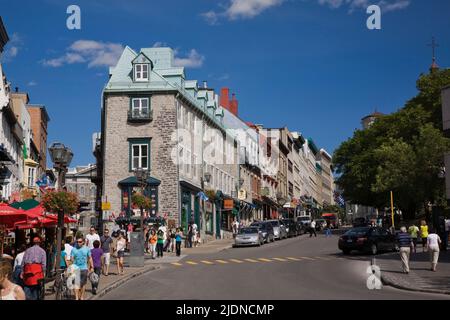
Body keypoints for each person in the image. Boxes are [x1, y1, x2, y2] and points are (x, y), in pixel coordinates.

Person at [71, 236, 93, 300]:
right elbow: (71, 258)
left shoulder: (87, 249)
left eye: (80, 242)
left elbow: (90, 258)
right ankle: (77, 298)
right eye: (77, 242)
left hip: (84, 269)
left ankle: (82, 296)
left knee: (83, 284)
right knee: (76, 283)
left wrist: (92, 266)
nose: (78, 243)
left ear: (83, 242)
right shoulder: (74, 249)